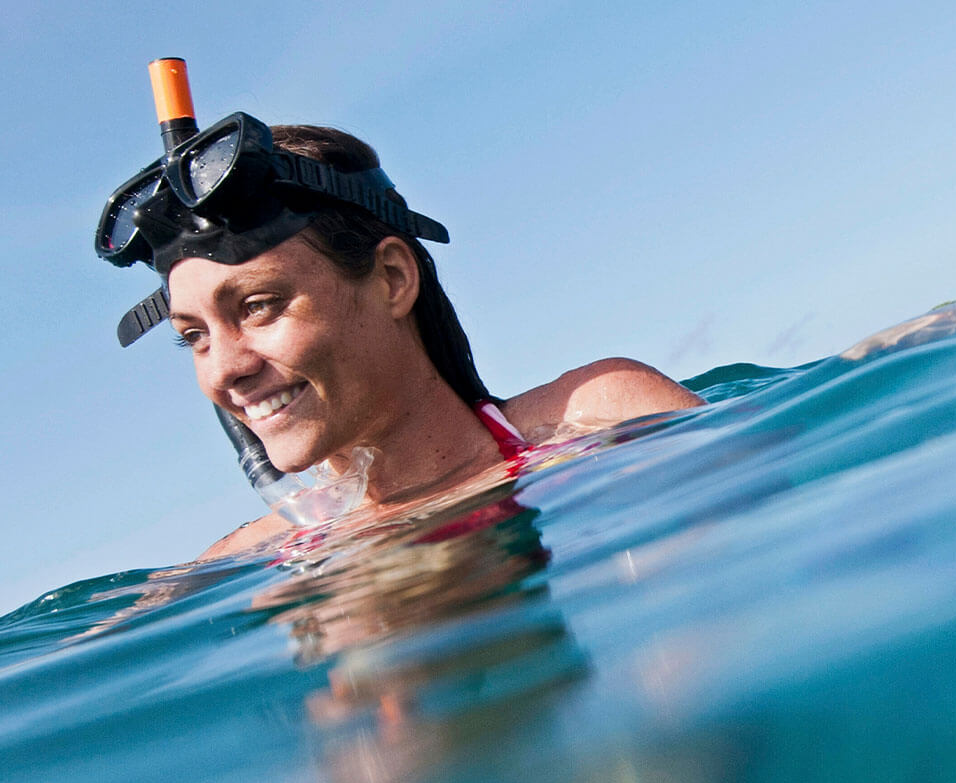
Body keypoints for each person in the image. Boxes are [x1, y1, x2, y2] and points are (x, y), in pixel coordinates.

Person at [98, 115, 703, 560]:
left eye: (258, 306)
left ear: (391, 279)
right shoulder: (240, 565)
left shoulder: (603, 422)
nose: (224, 369)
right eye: (195, 336)